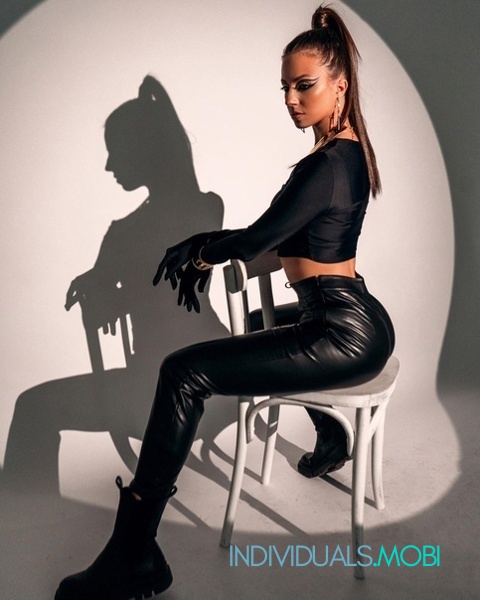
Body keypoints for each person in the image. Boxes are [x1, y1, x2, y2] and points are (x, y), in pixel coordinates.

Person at [55, 5, 395, 600]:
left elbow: (261, 239)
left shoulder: (327, 165)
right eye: (284, 87)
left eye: (304, 85)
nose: (291, 99)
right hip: (355, 316)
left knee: (182, 372)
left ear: (340, 86)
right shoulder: (343, 153)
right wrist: (208, 249)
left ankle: (134, 553)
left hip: (341, 331)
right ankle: (333, 438)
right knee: (263, 326)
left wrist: (202, 251)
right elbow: (279, 240)